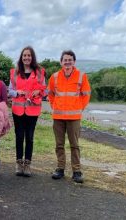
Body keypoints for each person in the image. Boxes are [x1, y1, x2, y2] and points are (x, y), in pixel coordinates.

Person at [48, 50, 91, 183]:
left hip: (74, 118)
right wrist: (55, 106)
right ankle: (60, 169)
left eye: (70, 60)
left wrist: (79, 108)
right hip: (58, 117)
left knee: (74, 145)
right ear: (61, 62)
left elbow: (86, 94)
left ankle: (76, 171)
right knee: (59, 145)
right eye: (65, 60)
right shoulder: (54, 77)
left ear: (74, 62)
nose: (67, 62)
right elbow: (50, 94)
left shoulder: (81, 76)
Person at [8, 46, 46, 177]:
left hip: (32, 110)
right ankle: (19, 163)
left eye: (29, 55)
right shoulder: (15, 72)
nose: (26, 58)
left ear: (32, 57)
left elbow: (45, 91)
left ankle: (28, 164)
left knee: (29, 138)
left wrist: (39, 92)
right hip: (17, 110)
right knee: (19, 137)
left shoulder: (40, 73)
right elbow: (10, 90)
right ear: (21, 57)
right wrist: (17, 92)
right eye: (24, 55)